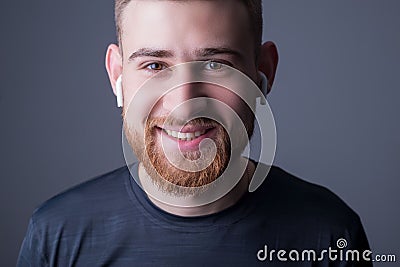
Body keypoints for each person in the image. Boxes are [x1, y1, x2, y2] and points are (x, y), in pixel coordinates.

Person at [17, 0, 372, 266]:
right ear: (117, 77)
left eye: (216, 65)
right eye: (155, 66)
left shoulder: (330, 235)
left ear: (263, 72)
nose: (185, 105)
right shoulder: (56, 236)